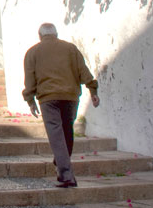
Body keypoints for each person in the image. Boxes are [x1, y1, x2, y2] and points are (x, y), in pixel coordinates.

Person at [22, 22, 100, 188]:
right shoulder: (70, 49)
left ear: (40, 36)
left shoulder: (33, 52)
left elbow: (30, 79)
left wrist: (30, 100)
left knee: (57, 136)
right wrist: (92, 90)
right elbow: (83, 71)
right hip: (70, 96)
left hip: (48, 99)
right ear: (56, 34)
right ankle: (62, 162)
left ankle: (66, 175)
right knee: (66, 132)